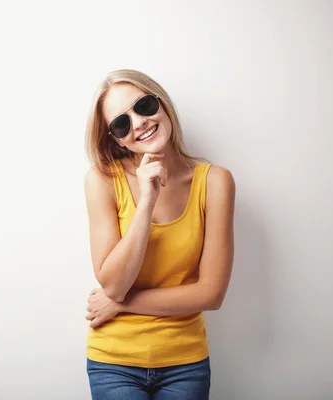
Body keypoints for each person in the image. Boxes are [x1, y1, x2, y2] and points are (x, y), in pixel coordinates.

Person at [83, 69, 235, 399]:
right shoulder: (103, 180)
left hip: (186, 362)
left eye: (143, 106)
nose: (137, 123)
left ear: (162, 104)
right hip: (114, 362)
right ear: (116, 139)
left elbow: (211, 294)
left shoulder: (215, 182)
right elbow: (112, 283)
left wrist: (120, 305)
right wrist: (147, 200)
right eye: (121, 123)